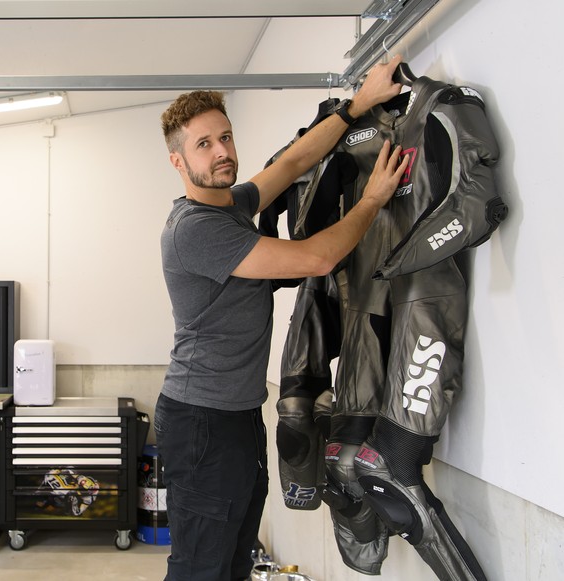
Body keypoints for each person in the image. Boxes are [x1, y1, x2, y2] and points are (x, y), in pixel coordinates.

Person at [154, 54, 409, 581]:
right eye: (204, 144)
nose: (222, 151)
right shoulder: (196, 229)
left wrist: (359, 104)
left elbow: (292, 164)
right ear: (178, 162)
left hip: (238, 415)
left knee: (233, 560)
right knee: (201, 568)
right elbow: (316, 257)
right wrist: (372, 199)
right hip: (202, 423)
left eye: (225, 137)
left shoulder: (230, 205)